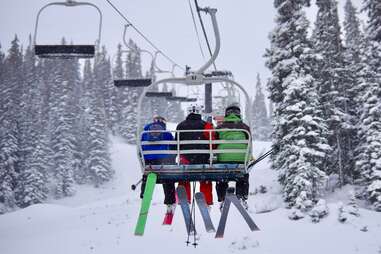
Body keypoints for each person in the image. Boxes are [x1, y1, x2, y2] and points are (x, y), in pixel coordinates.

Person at [175, 104, 214, 206]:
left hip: (186, 160)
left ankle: (185, 199)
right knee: (205, 177)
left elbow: (176, 143)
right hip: (203, 159)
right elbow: (212, 141)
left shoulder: (180, 126)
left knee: (184, 177)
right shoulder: (206, 125)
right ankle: (207, 201)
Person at [215, 103, 252, 210]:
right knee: (243, 175)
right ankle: (242, 196)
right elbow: (249, 143)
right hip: (240, 159)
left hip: (223, 160)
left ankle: (222, 198)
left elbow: (214, 143)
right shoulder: (244, 127)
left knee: (221, 177)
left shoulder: (220, 127)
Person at [140, 115, 176, 214]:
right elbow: (173, 148)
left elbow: (140, 149)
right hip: (163, 162)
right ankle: (170, 203)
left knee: (146, 176)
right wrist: (172, 160)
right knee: (168, 179)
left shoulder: (144, 134)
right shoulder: (167, 134)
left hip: (149, 163)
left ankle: (144, 196)